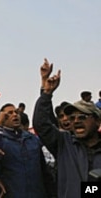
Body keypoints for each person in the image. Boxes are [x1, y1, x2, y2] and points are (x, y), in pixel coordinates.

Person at [33, 58, 101, 198]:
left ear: (97, 121)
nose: (75, 121)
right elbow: (41, 123)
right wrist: (46, 93)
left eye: (82, 117)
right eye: (72, 118)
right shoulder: (64, 143)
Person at [0, 103, 48, 198]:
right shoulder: (1, 140)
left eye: (16, 112)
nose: (15, 114)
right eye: (9, 113)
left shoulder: (32, 139)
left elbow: (44, 170)